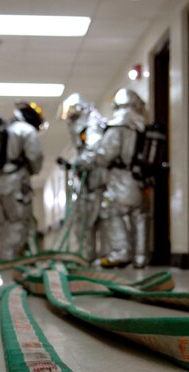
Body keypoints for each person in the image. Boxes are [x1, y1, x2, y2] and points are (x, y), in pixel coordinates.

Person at [95, 88, 150, 268]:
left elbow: (105, 156)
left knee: (112, 212)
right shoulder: (142, 126)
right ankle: (141, 257)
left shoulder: (117, 126)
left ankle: (121, 252)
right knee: (139, 216)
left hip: (120, 180)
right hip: (139, 179)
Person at [0, 101, 45, 261]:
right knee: (18, 221)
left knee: (3, 223)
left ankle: (4, 256)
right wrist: (33, 170)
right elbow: (35, 157)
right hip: (15, 184)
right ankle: (12, 262)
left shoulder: (5, 127)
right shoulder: (26, 130)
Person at [59, 93, 107, 262]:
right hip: (88, 183)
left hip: (97, 182)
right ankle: (84, 259)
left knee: (92, 222)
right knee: (83, 223)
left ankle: (91, 259)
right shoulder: (84, 127)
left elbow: (93, 150)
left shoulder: (92, 123)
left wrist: (78, 163)